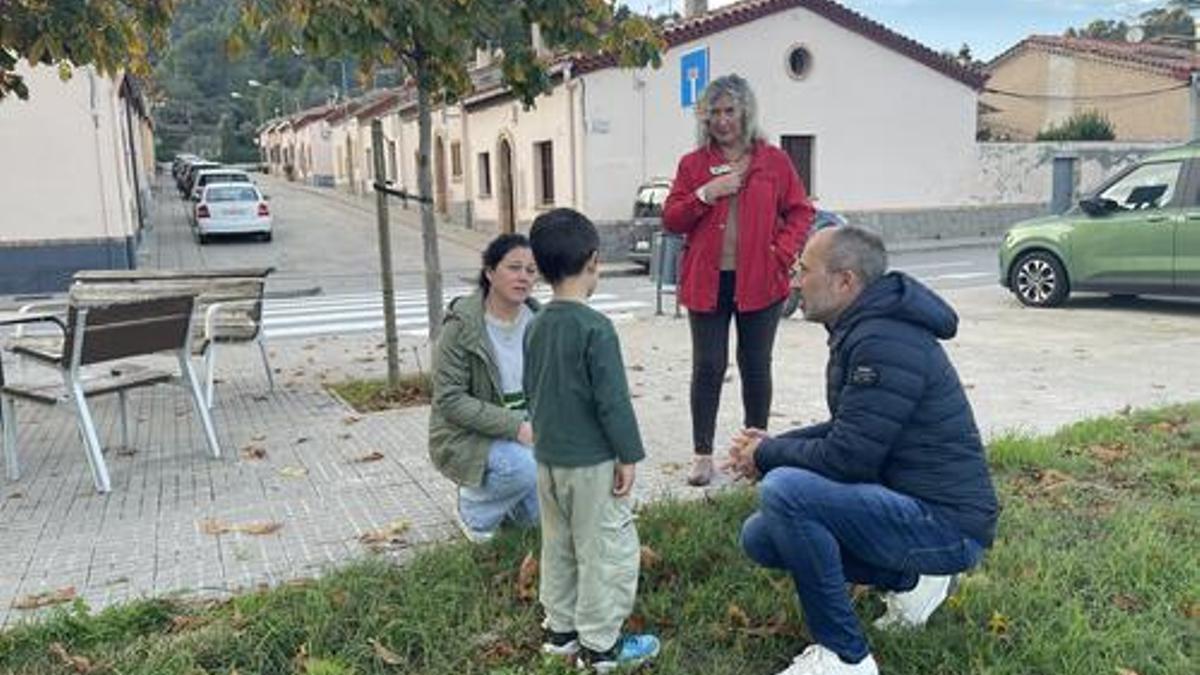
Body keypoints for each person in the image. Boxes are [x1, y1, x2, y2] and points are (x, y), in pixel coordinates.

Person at [725, 226, 1000, 675]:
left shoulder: (883, 340)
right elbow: (851, 429)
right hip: (912, 502)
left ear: (845, 281)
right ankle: (912, 580)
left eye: (804, 270)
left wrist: (767, 457)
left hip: (947, 525)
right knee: (762, 535)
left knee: (786, 492)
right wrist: (770, 446)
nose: (795, 281)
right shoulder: (865, 328)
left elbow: (849, 458)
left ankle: (844, 656)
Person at [524, 208, 660, 672]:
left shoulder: (536, 323)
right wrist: (628, 455)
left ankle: (560, 633)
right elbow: (613, 402)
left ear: (541, 267)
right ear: (593, 261)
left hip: (547, 462)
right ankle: (602, 647)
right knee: (603, 550)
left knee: (558, 545)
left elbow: (532, 388)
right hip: (592, 464)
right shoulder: (595, 328)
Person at [662, 73, 814, 487]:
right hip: (707, 281)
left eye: (730, 110)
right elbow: (672, 219)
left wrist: (782, 252)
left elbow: (801, 211)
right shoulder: (693, 165)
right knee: (708, 366)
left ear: (746, 112)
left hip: (761, 280)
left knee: (755, 364)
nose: (722, 120)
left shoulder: (773, 161)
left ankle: (755, 453)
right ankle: (702, 455)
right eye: (714, 112)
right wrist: (705, 193)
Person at [428, 233, 540, 543]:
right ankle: (473, 511)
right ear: (490, 272)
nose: (523, 277)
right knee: (522, 467)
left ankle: (509, 505)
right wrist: (517, 427)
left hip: (528, 428)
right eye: (514, 267)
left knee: (536, 522)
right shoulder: (461, 326)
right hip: (468, 433)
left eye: (531, 270)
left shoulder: (538, 320)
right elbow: (450, 400)